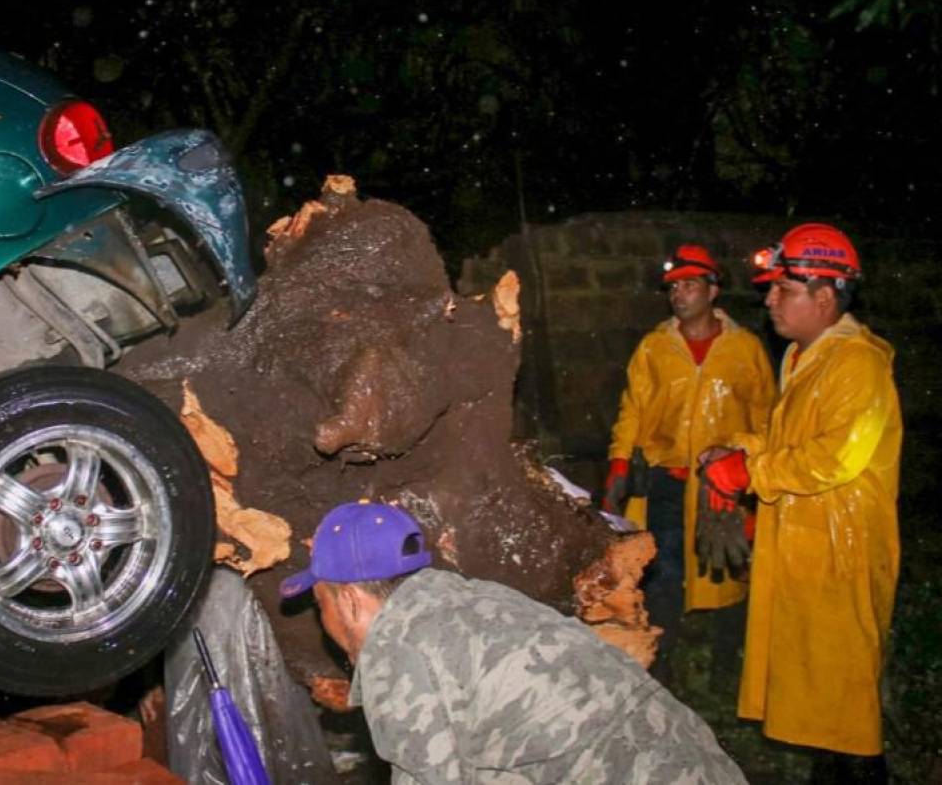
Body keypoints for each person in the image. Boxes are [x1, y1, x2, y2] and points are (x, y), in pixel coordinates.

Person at [280, 500, 747, 784]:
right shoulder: (469, 600)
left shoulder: (397, 653)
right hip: (694, 762)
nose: (321, 619)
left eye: (319, 602)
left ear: (350, 599)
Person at [698, 223, 901, 783]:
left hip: (843, 550)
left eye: (782, 289)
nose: (769, 300)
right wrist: (737, 449)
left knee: (845, 700)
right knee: (819, 695)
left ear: (825, 295)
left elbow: (837, 456)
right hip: (806, 544)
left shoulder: (858, 363)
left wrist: (750, 470)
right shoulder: (801, 357)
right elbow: (791, 443)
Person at [603, 244, 775, 679]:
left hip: (724, 481)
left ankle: (725, 661)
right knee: (663, 569)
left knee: (727, 566)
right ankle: (662, 662)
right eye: (674, 286)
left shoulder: (745, 348)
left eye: (690, 284)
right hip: (667, 477)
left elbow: (767, 416)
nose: (679, 294)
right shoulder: (655, 346)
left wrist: (750, 460)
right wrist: (620, 462)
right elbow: (634, 409)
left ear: (713, 291)